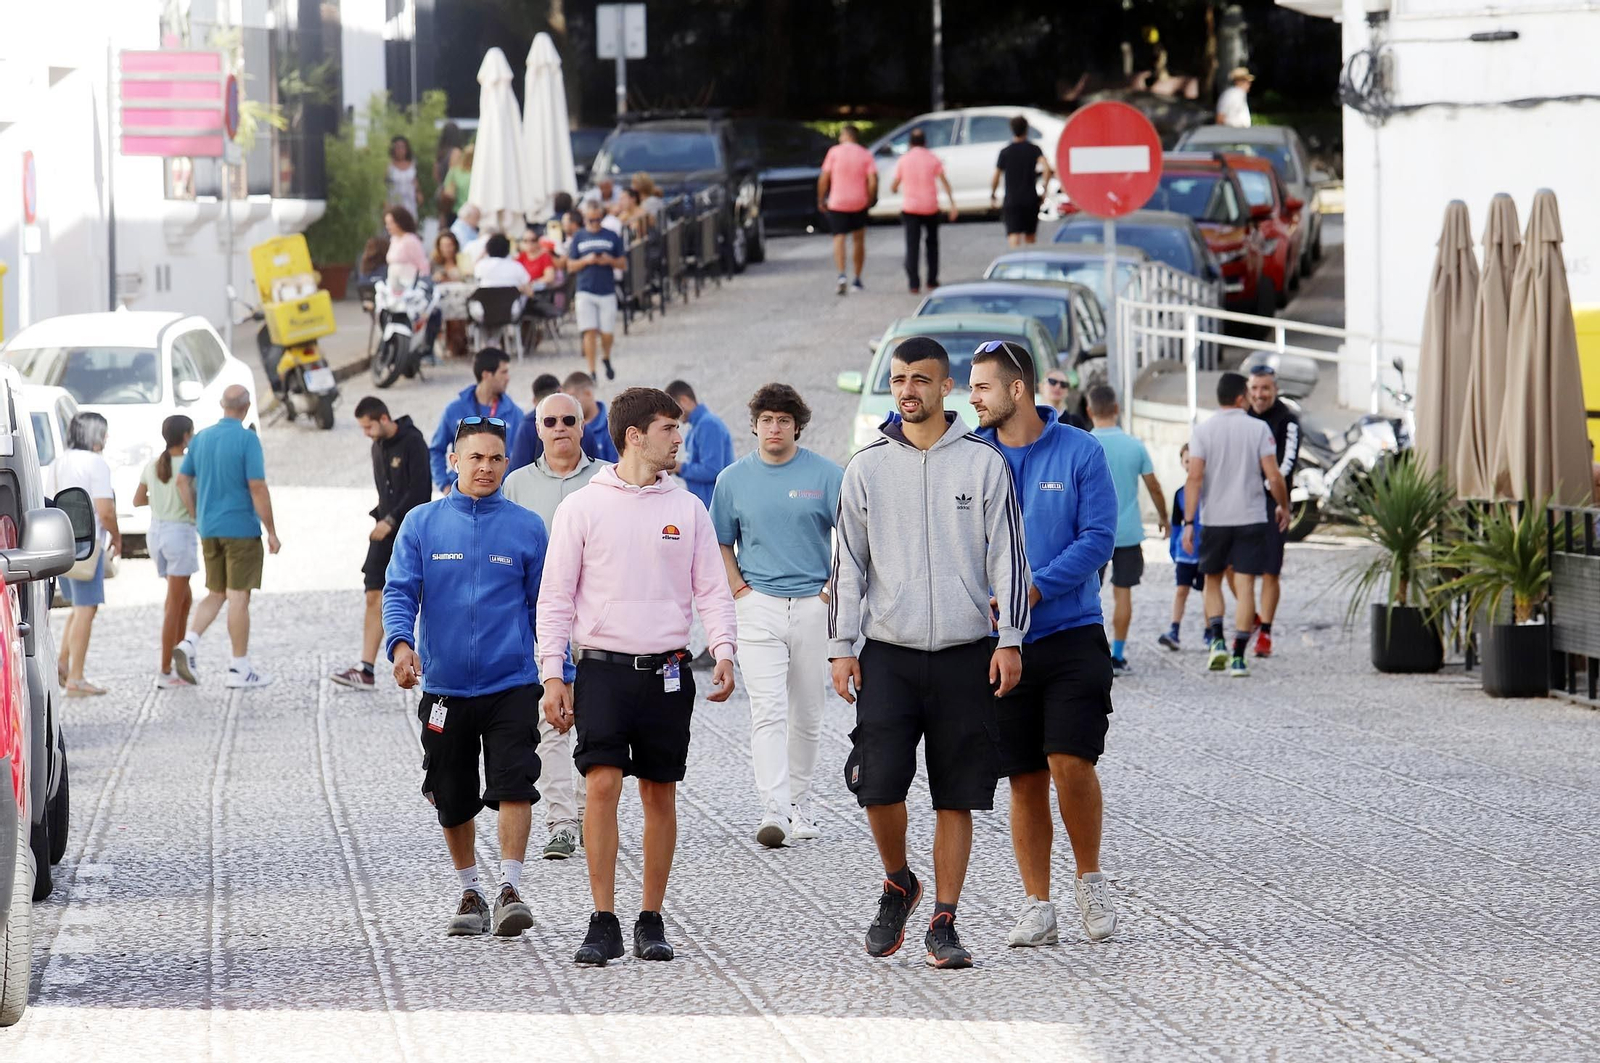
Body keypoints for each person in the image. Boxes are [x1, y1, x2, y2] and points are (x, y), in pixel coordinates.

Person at [828, 336, 1030, 971]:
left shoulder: (984, 463)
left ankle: (944, 920)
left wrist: (1010, 638)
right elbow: (848, 563)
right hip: (888, 652)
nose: (907, 390)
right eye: (898, 380)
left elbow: (1009, 557)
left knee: (955, 794)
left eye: (920, 379)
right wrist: (841, 645)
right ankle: (898, 881)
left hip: (966, 653)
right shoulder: (865, 467)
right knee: (877, 785)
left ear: (946, 387)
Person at [536, 387, 738, 967]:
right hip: (603, 669)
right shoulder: (582, 507)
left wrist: (724, 649)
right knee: (602, 785)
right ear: (634, 436)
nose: (679, 439)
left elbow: (711, 588)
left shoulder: (688, 508)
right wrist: (553, 674)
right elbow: (555, 597)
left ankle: (651, 916)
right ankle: (603, 919)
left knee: (658, 791)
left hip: (669, 671)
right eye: (669, 429)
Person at [385, 415, 570, 938]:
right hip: (444, 688)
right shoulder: (421, 523)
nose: (485, 467)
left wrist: (560, 673)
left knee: (515, 782)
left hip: (511, 683)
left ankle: (510, 888)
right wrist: (400, 645)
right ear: (454, 461)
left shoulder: (527, 527)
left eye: (494, 458)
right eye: (475, 458)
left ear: (507, 463)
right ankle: (470, 890)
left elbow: (546, 608)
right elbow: (400, 591)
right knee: (451, 792)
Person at [968, 339, 1121, 949]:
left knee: (1069, 761)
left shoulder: (1081, 449)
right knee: (1025, 777)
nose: (972, 399)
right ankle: (1038, 904)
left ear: (1017, 389)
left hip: (1071, 632)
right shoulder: (969, 455)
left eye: (981, 387)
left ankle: (1090, 879)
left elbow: (1099, 537)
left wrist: (1033, 588)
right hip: (998, 643)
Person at [710, 384, 842, 848]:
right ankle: (775, 807)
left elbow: (851, 536)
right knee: (767, 710)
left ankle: (798, 802)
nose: (774, 428)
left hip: (813, 605)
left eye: (783, 420)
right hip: (758, 606)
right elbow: (720, 541)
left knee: (807, 710)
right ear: (754, 425)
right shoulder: (732, 480)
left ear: (797, 426)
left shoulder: (826, 475)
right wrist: (739, 590)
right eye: (766, 419)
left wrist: (829, 592)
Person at [503, 392, 604, 860]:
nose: (560, 427)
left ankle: (588, 813)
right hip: (543, 620)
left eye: (568, 420)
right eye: (550, 421)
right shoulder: (516, 485)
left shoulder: (608, 479)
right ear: (538, 429)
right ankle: (561, 821)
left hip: (599, 620)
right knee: (551, 721)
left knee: (597, 722)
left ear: (582, 427)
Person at [1182, 371, 1290, 678]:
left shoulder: (1202, 431)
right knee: (1245, 586)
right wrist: (1283, 505)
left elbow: (1194, 478)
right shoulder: (1258, 429)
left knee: (1212, 581)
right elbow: (1273, 475)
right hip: (1251, 516)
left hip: (1215, 518)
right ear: (1241, 397)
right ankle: (1239, 657)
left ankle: (1217, 641)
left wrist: (1189, 522)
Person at [173, 385, 281, 689]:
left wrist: (196, 515)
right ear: (246, 407)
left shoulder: (201, 438)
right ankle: (238, 667)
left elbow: (182, 481)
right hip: (241, 528)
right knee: (238, 596)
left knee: (216, 592)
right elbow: (257, 487)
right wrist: (271, 530)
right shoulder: (247, 440)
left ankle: (189, 642)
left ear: (222, 404)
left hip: (209, 528)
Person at [330, 397, 431, 691]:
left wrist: (391, 519)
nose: (367, 434)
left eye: (369, 427)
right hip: (383, 533)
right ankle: (366, 668)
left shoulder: (413, 442)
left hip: (409, 533)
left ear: (384, 419)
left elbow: (420, 492)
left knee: (424, 598)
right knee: (373, 594)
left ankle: (426, 663)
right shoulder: (377, 446)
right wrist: (381, 518)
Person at [1087, 385, 1168, 674]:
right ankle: (1118, 655)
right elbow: (1154, 486)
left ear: (1089, 411)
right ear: (1117, 409)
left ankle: (1091, 653)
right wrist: (1164, 517)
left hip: (1090, 533)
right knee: (1123, 594)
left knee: (1088, 596)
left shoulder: (1084, 444)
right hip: (1128, 532)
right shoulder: (1135, 446)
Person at [55, 413, 121, 697]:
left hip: (61, 541)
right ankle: (76, 678)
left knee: (78, 606)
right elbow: (104, 509)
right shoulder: (96, 463)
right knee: (86, 608)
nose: (106, 438)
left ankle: (63, 662)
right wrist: (117, 535)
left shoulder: (59, 461)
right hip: (87, 544)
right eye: (104, 433)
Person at [133, 415, 197, 690]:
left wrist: (160, 499)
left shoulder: (153, 465)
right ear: (186, 436)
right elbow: (192, 496)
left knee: (183, 599)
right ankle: (166, 669)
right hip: (179, 534)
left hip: (156, 534)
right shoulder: (189, 465)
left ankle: (178, 656)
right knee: (174, 604)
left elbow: (137, 500)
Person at [1246, 365, 1299, 658]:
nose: (1259, 394)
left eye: (1265, 388)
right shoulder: (1242, 416)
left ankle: (1265, 631)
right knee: (1230, 568)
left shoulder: (1288, 420)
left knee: (1270, 571)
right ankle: (1251, 614)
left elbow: (1286, 464)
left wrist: (1270, 488)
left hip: (1273, 504)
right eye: (1254, 388)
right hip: (1240, 503)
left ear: (1275, 390)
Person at [428, 348, 526, 493]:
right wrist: (444, 485)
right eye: (503, 372)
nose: (508, 378)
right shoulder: (455, 409)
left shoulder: (515, 413)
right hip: (463, 494)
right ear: (486, 375)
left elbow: (524, 459)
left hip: (501, 495)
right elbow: (436, 450)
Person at [891, 127, 959, 294]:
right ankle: (932, 280)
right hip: (930, 207)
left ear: (909, 143)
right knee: (932, 244)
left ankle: (914, 283)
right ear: (925, 142)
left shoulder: (904, 160)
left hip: (911, 208)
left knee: (912, 245)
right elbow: (944, 181)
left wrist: (896, 189)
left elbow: (894, 185)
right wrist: (952, 204)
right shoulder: (932, 158)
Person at [567, 202, 627, 381]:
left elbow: (623, 263)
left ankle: (606, 356)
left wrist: (609, 260)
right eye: (591, 220)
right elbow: (570, 265)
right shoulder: (578, 237)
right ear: (585, 219)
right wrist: (586, 260)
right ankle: (592, 371)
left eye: (597, 220)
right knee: (589, 331)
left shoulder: (612, 235)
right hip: (585, 289)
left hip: (606, 290)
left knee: (607, 333)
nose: (594, 223)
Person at [817, 124, 877, 295]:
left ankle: (842, 274)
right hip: (859, 201)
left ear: (845, 136)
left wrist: (821, 198)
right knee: (858, 240)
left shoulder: (834, 152)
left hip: (838, 201)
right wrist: (869, 199)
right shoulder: (865, 154)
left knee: (839, 238)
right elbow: (872, 181)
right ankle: (857, 279)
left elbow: (824, 178)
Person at [1160, 444, 1205, 651]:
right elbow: (1176, 526)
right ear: (1182, 463)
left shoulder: (1209, 492)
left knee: (1208, 592)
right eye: (1187, 461)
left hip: (1206, 553)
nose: (1190, 464)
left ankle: (1210, 631)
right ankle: (1174, 629)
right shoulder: (1179, 494)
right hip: (1185, 554)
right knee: (1181, 591)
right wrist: (1174, 551)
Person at [665, 380, 734, 509]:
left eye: (673, 409)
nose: (673, 416)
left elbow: (712, 470)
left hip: (715, 508)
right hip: (706, 506)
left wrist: (679, 467)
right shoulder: (696, 427)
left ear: (684, 401)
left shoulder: (708, 425)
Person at [991, 115, 1054, 248]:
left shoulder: (1005, 152)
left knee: (1013, 234)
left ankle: (1016, 258)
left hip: (1012, 200)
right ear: (1026, 129)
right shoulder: (1034, 149)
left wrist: (993, 193)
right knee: (1030, 236)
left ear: (1012, 129)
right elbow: (1047, 168)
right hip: (1030, 199)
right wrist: (1045, 188)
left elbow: (996, 176)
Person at [507, 372, 566, 471]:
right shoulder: (574, 422)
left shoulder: (527, 426)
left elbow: (517, 470)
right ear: (560, 391)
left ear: (534, 400)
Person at [563, 371, 620, 464]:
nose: (570, 406)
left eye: (574, 399)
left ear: (588, 393)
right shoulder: (567, 429)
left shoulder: (613, 427)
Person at [384, 207, 430, 280]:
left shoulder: (410, 240)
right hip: (394, 281)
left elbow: (422, 265)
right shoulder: (394, 239)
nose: (388, 227)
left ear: (399, 222)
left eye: (391, 223)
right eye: (387, 224)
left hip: (408, 281)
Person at [387, 135, 419, 219]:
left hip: (410, 204)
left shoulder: (412, 165)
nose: (400, 150)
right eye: (397, 147)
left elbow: (415, 182)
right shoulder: (389, 166)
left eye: (403, 147)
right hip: (394, 204)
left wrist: (418, 193)